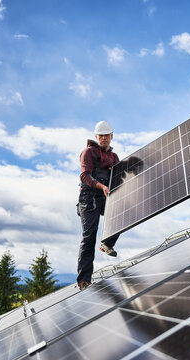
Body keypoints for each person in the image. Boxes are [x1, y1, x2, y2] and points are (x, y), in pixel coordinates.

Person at [76, 121, 120, 290]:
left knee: (124, 212)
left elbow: (118, 175)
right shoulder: (88, 152)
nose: (103, 138)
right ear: (96, 137)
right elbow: (84, 176)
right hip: (89, 198)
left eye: (106, 135)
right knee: (89, 237)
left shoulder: (114, 157)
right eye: (100, 136)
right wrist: (102, 187)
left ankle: (107, 244)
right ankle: (84, 280)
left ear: (111, 136)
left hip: (105, 195)